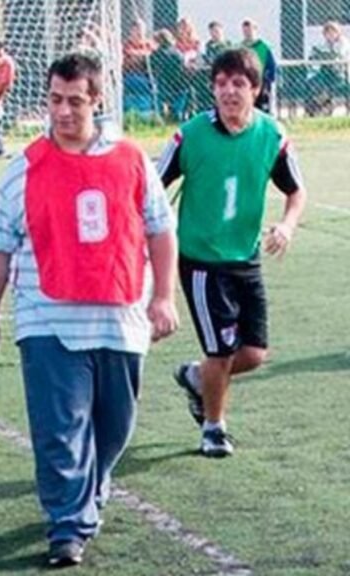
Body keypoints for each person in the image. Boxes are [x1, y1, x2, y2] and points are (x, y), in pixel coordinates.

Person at [0, 52, 179, 568]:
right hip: (48, 321)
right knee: (60, 429)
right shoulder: (25, 168)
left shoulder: (132, 161)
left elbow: (160, 229)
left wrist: (162, 297)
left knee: (115, 426)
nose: (64, 112)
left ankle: (91, 488)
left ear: (97, 100)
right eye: (56, 100)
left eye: (76, 102)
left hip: (120, 317)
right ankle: (67, 525)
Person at [157, 48, 306, 458]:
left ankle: (194, 377)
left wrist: (287, 225)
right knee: (220, 351)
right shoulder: (191, 134)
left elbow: (296, 190)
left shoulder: (272, 136)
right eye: (221, 83)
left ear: (256, 90)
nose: (228, 92)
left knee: (254, 354)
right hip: (202, 260)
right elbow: (153, 188)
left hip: (246, 257)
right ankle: (213, 428)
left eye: (239, 84)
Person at [149, 29, 192, 121]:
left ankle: (161, 114)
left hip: (163, 84)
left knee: (159, 92)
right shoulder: (178, 53)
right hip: (179, 84)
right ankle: (178, 112)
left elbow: (151, 68)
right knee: (184, 91)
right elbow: (183, 67)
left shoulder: (156, 54)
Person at [240, 20, 277, 113]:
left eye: (249, 30)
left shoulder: (264, 46)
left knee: (262, 107)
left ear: (255, 30)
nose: (247, 33)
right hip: (246, 81)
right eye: (245, 31)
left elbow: (271, 65)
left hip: (261, 81)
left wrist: (268, 80)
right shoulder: (241, 47)